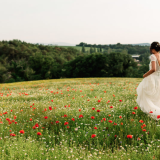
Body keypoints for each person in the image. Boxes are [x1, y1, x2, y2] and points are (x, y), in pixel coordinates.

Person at [136, 41, 160, 120]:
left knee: (147, 96)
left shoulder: (153, 56)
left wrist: (145, 75)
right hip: (158, 78)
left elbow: (153, 69)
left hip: (152, 78)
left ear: (153, 49)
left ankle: (154, 113)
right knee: (156, 97)